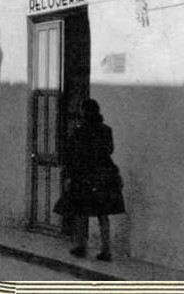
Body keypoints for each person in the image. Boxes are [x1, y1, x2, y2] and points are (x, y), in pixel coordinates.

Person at [62, 99, 125, 261]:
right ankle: (106, 249)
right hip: (103, 174)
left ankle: (81, 246)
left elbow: (73, 155)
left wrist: (69, 176)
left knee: (80, 211)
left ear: (84, 112)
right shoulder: (106, 130)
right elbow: (109, 150)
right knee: (102, 213)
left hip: (83, 175)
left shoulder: (79, 132)